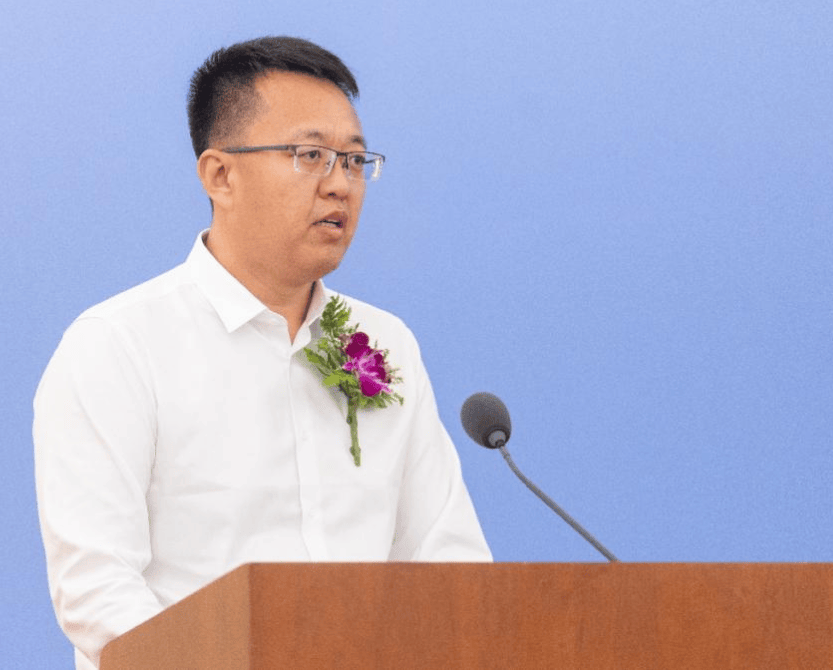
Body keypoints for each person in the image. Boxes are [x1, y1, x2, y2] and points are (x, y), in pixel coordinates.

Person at [33, 36, 491, 670]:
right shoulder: (118, 346)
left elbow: (449, 566)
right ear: (220, 175)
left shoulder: (387, 345)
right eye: (310, 156)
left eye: (354, 161)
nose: (340, 185)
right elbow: (98, 591)